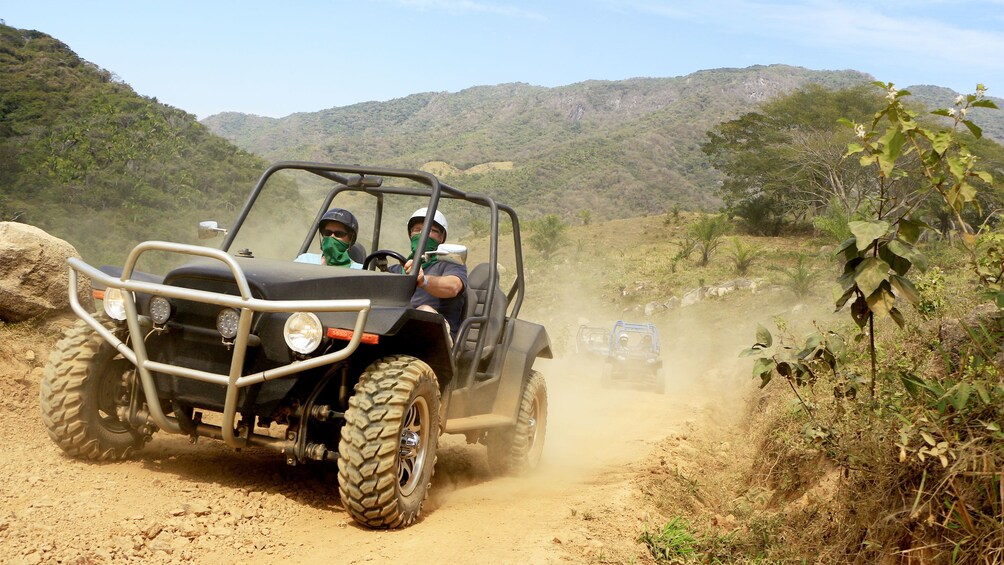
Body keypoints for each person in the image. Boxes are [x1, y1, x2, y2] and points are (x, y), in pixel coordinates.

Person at [391, 207, 467, 342]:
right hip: (395, 332)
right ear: (410, 234)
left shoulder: (451, 263)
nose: (423, 234)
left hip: (439, 340)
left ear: (441, 237)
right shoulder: (396, 270)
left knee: (423, 311)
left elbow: (453, 287)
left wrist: (424, 280)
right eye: (417, 229)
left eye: (431, 230)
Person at [294, 208, 363, 268]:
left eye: (339, 234)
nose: (331, 237)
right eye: (327, 233)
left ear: (350, 239)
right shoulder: (305, 261)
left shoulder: (360, 271)